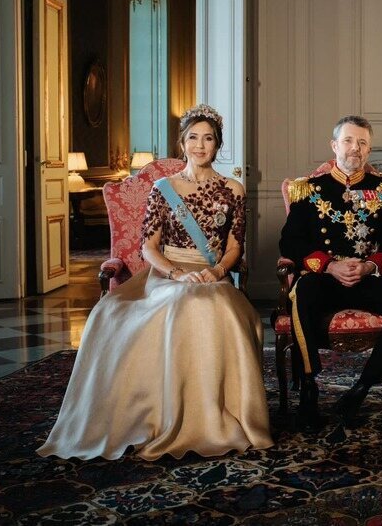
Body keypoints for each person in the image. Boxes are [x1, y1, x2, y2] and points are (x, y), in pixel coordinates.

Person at [38, 104, 273, 460]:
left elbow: (235, 246)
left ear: (217, 145)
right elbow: (148, 248)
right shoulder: (164, 189)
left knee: (213, 305)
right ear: (183, 143)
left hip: (212, 274)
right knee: (155, 307)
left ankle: (212, 415)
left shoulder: (233, 189)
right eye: (193, 137)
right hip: (166, 274)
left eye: (208, 138)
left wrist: (216, 272)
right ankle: (157, 413)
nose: (200, 145)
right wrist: (177, 274)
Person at [279, 115, 382, 431]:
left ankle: (361, 388)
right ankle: (308, 385)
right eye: (348, 141)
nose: (354, 148)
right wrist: (330, 265)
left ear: (369, 150)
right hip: (324, 278)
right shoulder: (308, 189)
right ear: (334, 145)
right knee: (301, 294)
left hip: (366, 276)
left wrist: (370, 265)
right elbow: (291, 241)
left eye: (361, 143)